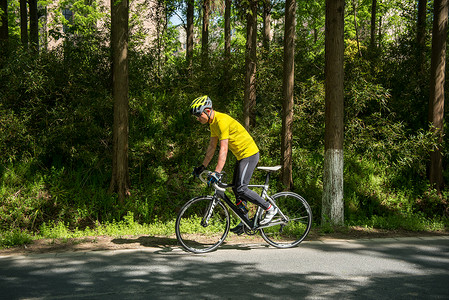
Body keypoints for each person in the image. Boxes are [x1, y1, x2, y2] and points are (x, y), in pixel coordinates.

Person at [190, 95, 278, 234]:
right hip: (241, 156)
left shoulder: (222, 121)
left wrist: (217, 172)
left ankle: (269, 208)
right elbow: (212, 147)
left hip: (249, 154)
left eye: (198, 114)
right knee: (236, 189)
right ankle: (246, 222)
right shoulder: (213, 123)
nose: (197, 118)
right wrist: (203, 167)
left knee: (242, 188)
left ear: (207, 111)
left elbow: (223, 149)